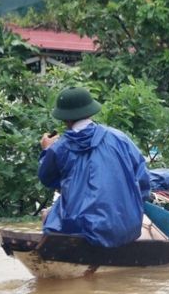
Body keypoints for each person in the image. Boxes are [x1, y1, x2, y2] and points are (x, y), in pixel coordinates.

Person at [38, 86, 150, 247]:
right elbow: (143, 180)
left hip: (80, 230)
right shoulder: (120, 138)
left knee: (48, 216)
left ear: (65, 119)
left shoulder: (59, 148)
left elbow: (47, 179)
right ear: (90, 112)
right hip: (127, 228)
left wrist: (46, 150)